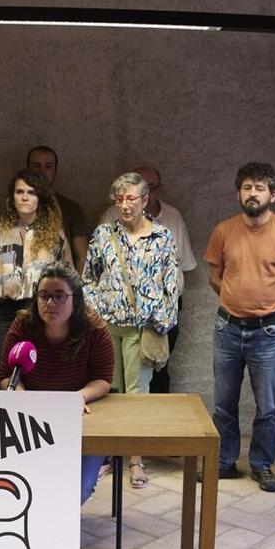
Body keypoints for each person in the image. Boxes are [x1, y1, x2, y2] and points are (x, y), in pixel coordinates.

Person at [204, 162, 275, 492]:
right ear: (238, 193)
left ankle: (261, 465)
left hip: (268, 332)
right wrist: (236, 301)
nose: (252, 193)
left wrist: (268, 307)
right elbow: (214, 277)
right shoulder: (224, 231)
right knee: (224, 403)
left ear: (272, 195)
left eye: (259, 188)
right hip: (227, 329)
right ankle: (224, 462)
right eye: (247, 187)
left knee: (267, 406)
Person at [82, 172, 179, 488]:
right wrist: (95, 312)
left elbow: (171, 284)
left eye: (131, 199)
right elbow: (89, 279)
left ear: (145, 200)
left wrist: (161, 321)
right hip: (107, 327)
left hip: (141, 329)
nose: (124, 205)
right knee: (109, 391)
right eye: (119, 199)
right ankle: (108, 457)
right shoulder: (103, 235)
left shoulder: (162, 237)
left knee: (137, 395)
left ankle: (136, 460)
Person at [1, 262, 114, 503]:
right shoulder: (23, 324)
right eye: (44, 295)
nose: (50, 303)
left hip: (80, 416)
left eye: (59, 296)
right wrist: (20, 395)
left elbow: (103, 379)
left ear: (76, 300)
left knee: (78, 489)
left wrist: (79, 396)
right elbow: (6, 375)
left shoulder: (94, 328)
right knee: (24, 486)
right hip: (32, 417)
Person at [99, 165, 196, 393]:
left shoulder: (172, 218)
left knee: (157, 372)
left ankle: (153, 417)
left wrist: (163, 316)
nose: (147, 194)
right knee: (116, 383)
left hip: (159, 314)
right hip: (118, 314)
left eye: (151, 187)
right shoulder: (110, 218)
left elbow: (183, 267)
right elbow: (97, 269)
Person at [0, 169, 73, 380]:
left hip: (41, 311)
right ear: (12, 197)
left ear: (40, 198)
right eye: (19, 192)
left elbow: (67, 280)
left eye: (31, 192)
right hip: (5, 313)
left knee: (39, 373)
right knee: (6, 373)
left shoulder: (55, 235)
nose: (24, 197)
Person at [27, 145, 92, 271]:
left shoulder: (71, 209)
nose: (42, 171)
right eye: (37, 166)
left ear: (55, 171)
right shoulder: (15, 208)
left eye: (48, 166)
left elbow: (82, 256)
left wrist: (76, 283)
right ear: (28, 170)